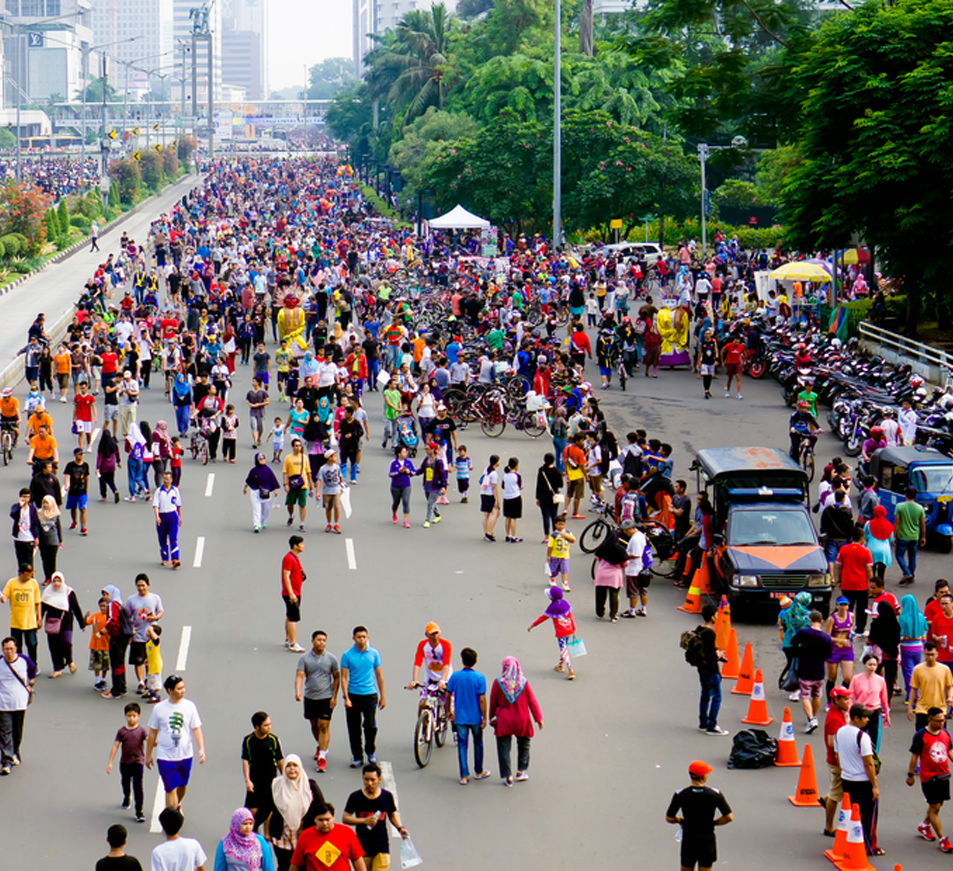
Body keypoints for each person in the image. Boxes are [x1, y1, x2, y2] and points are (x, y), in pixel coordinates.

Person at [146, 674, 205, 811]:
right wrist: (148, 754)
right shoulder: (159, 709)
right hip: (165, 755)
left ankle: (177, 804)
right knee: (170, 787)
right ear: (170, 691)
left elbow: (196, 728)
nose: (182, 691)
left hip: (185, 754)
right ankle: (171, 818)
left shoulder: (190, 706)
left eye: (183, 687)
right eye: (179, 689)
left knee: (182, 785)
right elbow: (153, 732)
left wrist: (201, 748)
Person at [665, 759, 733, 871]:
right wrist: (714, 822)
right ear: (703, 776)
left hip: (689, 840)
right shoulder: (715, 794)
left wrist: (680, 820)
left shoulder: (681, 794)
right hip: (707, 839)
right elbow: (729, 817)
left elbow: (669, 818)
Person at [834, 704, 883, 857]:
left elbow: (837, 755)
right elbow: (868, 763)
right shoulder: (863, 737)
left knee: (850, 813)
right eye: (865, 717)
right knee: (868, 816)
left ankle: (849, 841)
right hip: (863, 781)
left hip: (847, 779)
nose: (868, 720)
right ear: (856, 718)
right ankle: (867, 846)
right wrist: (874, 785)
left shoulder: (839, 732)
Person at [488, 656, 543, 787]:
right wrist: (538, 718)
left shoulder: (498, 682)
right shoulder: (523, 682)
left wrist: (491, 718)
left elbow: (493, 702)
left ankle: (508, 776)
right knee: (524, 743)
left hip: (504, 719)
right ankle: (521, 770)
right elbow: (532, 701)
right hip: (522, 718)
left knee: (504, 748)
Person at [343, 762, 410, 869]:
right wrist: (364, 821)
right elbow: (345, 818)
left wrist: (400, 828)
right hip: (362, 846)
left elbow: (392, 815)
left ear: (379, 780)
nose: (369, 783)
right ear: (363, 779)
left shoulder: (386, 796)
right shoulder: (355, 797)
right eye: (366, 779)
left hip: (381, 846)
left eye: (373, 780)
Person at [266, 755, 325, 871]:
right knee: (284, 867)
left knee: (305, 867)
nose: (292, 769)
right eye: (288, 766)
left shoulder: (310, 787)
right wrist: (249, 824)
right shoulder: (276, 786)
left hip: (305, 837)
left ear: (300, 768)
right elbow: (265, 808)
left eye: (295, 766)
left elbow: (322, 809)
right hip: (282, 838)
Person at [907, 706, 953, 853]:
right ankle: (942, 839)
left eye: (943, 720)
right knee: (934, 807)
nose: (941, 723)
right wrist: (910, 775)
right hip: (929, 776)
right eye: (938, 721)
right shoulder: (921, 736)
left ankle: (924, 826)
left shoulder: (945, 733)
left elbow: (949, 750)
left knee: (938, 804)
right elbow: (914, 756)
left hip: (944, 774)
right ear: (929, 719)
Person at [294, 630, 340, 774]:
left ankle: (322, 757)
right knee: (314, 725)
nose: (322, 643)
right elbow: (300, 675)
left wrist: (334, 696)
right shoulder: (304, 658)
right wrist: (297, 690)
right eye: (319, 640)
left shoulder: (331, 659)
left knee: (324, 726)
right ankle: (321, 745)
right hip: (310, 697)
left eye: (324, 640)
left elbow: (337, 677)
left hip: (325, 697)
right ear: (312, 641)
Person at [340, 625, 386, 768]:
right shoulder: (347, 655)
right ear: (354, 638)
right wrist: (346, 697)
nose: (362, 639)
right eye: (359, 637)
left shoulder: (374, 653)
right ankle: (357, 757)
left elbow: (379, 675)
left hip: (370, 695)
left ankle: (370, 752)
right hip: (353, 695)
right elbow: (344, 677)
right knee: (354, 728)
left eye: (364, 637)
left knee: (371, 726)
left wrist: (382, 696)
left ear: (368, 638)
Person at [446, 647, 491, 785]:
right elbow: (482, 699)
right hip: (475, 718)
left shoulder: (455, 676)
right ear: (475, 661)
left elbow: (448, 694)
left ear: (462, 660)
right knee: (478, 743)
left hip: (460, 717)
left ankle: (464, 775)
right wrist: (484, 717)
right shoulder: (479, 678)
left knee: (462, 745)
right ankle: (478, 771)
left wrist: (449, 710)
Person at [288, 803, 365, 871]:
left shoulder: (347, 833)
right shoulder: (305, 836)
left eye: (327, 819)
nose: (324, 823)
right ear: (315, 820)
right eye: (320, 820)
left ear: (333, 818)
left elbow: (357, 859)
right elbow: (296, 864)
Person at [241, 711, 284, 830]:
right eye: (266, 725)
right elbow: (245, 761)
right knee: (253, 810)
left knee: (268, 809)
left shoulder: (273, 740)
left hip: (270, 780)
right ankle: (254, 832)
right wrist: (247, 781)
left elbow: (280, 760)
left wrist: (285, 778)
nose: (269, 727)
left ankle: (267, 835)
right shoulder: (248, 741)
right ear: (257, 727)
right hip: (255, 780)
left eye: (270, 724)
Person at [792, 610, 834, 733]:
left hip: (805, 669)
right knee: (817, 695)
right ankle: (813, 717)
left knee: (805, 695)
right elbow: (828, 655)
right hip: (819, 671)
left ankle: (811, 719)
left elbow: (793, 643)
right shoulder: (826, 638)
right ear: (822, 622)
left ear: (809, 621)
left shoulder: (803, 633)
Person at [107, 701, 148, 823]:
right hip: (125, 763)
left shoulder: (142, 731)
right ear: (125, 716)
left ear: (139, 716)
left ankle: (139, 811)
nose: (131, 718)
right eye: (129, 715)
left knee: (138, 787)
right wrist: (110, 762)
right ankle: (126, 796)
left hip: (138, 762)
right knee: (125, 782)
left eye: (134, 716)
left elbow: (149, 740)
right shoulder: (121, 731)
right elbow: (115, 746)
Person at [0, 635, 35, 774]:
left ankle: (15, 751)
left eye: (11, 649)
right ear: (2, 649)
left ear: (16, 649)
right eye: (6, 649)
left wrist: (30, 685)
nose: (9, 652)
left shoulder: (24, 661)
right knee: (4, 732)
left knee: (17, 731)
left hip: (20, 702)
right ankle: (6, 761)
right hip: (3, 703)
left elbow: (33, 672)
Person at [692, 604, 729, 736]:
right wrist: (719, 654)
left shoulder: (699, 630)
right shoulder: (710, 633)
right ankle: (712, 725)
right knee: (717, 697)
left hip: (701, 667)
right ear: (712, 617)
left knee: (705, 694)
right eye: (716, 614)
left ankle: (703, 721)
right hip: (711, 668)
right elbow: (710, 653)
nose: (717, 616)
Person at [40, 571, 84, 678]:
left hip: (66, 622)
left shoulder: (68, 592)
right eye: (54, 581)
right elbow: (42, 609)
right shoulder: (47, 592)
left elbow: (76, 608)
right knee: (53, 645)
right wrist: (38, 621)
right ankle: (57, 668)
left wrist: (81, 623)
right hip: (52, 622)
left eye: (58, 581)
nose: (56, 583)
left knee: (66, 642)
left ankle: (70, 661)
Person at [528, 586, 577, 680]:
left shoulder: (552, 608)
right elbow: (570, 616)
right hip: (569, 630)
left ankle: (570, 669)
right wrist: (573, 628)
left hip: (561, 632)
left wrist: (532, 625)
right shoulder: (565, 604)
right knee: (564, 648)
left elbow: (542, 618)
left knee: (563, 649)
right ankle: (559, 665)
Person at [821, 686, 852, 836]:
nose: (848, 701)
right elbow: (832, 742)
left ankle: (824, 799)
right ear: (836, 700)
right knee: (836, 794)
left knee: (838, 789)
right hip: (838, 761)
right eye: (845, 698)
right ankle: (829, 826)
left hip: (841, 760)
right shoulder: (834, 718)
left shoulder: (840, 713)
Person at [2, 562, 41, 666]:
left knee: (32, 645)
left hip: (30, 621)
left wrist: (39, 618)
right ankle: (18, 665)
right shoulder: (11, 583)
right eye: (28, 574)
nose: (30, 576)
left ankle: (33, 665)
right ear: (21, 573)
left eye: (31, 573)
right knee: (17, 646)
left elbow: (37, 602)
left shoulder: (33, 583)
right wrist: (3, 598)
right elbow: (5, 596)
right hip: (16, 621)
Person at [850, 653, 891, 753]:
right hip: (861, 711)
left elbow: (884, 699)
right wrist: (848, 713)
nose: (872, 667)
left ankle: (873, 760)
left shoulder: (880, 680)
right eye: (870, 664)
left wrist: (887, 714)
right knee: (859, 737)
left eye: (874, 665)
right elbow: (850, 697)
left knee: (874, 738)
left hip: (875, 712)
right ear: (864, 665)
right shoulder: (856, 679)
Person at [908, 643, 953, 731]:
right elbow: (914, 689)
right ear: (924, 653)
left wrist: (950, 697)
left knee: (940, 740)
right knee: (922, 739)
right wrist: (909, 707)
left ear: (937, 654)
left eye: (932, 654)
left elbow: (949, 686)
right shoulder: (918, 669)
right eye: (928, 655)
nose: (930, 657)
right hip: (922, 709)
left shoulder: (944, 669)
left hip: (940, 709)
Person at [823, 597, 855, 700]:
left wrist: (853, 636)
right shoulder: (832, 619)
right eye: (841, 605)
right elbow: (827, 636)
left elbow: (851, 630)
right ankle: (830, 700)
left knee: (848, 678)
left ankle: (841, 696)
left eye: (845, 605)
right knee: (832, 677)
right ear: (837, 606)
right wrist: (840, 641)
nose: (843, 607)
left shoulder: (851, 616)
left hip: (847, 650)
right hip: (833, 650)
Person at [895, 486, 927, 586]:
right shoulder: (919, 508)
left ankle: (907, 573)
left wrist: (894, 536)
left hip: (903, 536)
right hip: (914, 536)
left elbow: (897, 523)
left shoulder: (899, 506)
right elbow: (922, 524)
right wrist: (923, 537)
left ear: (905, 494)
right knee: (912, 556)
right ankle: (911, 576)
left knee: (899, 555)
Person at [899, 594, 929, 700]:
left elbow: (900, 635)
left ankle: (913, 696)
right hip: (919, 648)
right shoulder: (920, 616)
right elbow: (925, 628)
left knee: (909, 673)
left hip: (906, 648)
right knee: (917, 672)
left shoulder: (902, 618)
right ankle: (916, 694)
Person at [152, 470, 182, 569]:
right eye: (164, 479)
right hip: (162, 516)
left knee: (173, 538)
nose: (166, 481)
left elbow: (178, 505)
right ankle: (165, 558)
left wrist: (180, 517)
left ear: (171, 480)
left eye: (168, 479)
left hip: (173, 516)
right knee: (162, 539)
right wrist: (157, 517)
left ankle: (175, 559)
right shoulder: (159, 491)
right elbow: (156, 505)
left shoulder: (175, 491)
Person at [282, 536, 306, 653]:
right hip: (292, 593)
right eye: (301, 544)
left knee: (289, 615)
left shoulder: (294, 557)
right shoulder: (289, 558)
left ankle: (288, 638)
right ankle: (293, 643)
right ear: (295, 545)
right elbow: (286, 576)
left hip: (295, 591)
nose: (303, 546)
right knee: (293, 618)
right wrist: (291, 593)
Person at [244, 454, 280, 533]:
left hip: (266, 492)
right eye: (260, 459)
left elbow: (272, 480)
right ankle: (257, 524)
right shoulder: (254, 470)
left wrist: (275, 490)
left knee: (265, 508)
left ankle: (264, 520)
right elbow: (249, 479)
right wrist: (245, 488)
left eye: (263, 458)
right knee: (256, 508)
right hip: (255, 491)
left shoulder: (268, 470)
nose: (262, 460)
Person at [283, 439, 313, 532]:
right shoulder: (288, 458)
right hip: (292, 483)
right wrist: (286, 484)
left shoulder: (304, 458)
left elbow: (308, 472)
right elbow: (285, 472)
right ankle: (291, 516)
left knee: (302, 504)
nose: (298, 447)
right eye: (296, 445)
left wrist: (311, 484)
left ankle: (302, 523)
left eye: (299, 445)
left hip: (302, 484)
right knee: (290, 503)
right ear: (292, 447)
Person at [10, 487, 39, 570]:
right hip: (19, 538)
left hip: (29, 538)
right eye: (24, 497)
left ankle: (29, 578)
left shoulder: (32, 509)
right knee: (20, 560)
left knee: (29, 561)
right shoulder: (16, 507)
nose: (25, 499)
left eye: (27, 497)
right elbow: (13, 515)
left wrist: (36, 537)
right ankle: (20, 577)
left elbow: (35, 524)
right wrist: (20, 507)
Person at [388, 446, 416, 528]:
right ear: (399, 453)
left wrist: (408, 471)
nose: (405, 454)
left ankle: (406, 520)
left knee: (406, 501)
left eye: (405, 452)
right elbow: (390, 474)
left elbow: (414, 472)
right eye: (403, 452)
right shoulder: (394, 463)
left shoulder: (408, 463)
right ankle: (394, 514)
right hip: (396, 486)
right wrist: (398, 471)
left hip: (406, 485)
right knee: (396, 502)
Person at [863, 505, 893, 580]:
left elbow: (865, 536)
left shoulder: (869, 523)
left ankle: (872, 588)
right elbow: (891, 539)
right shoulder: (889, 525)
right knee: (881, 573)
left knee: (871, 572)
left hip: (872, 550)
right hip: (885, 551)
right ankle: (880, 587)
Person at [546, 515, 575, 592]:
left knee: (564, 570)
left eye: (562, 524)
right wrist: (548, 555)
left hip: (565, 556)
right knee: (554, 569)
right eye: (559, 524)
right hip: (555, 555)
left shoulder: (567, 532)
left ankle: (565, 583)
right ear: (555, 524)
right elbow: (550, 546)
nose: (561, 526)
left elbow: (573, 540)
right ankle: (552, 578)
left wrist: (566, 536)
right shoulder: (553, 535)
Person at [480, 454, 502, 541]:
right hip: (490, 495)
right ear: (496, 462)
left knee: (486, 514)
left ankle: (486, 531)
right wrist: (496, 499)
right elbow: (494, 487)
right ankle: (489, 532)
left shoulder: (486, 470)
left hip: (483, 493)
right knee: (495, 513)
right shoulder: (494, 474)